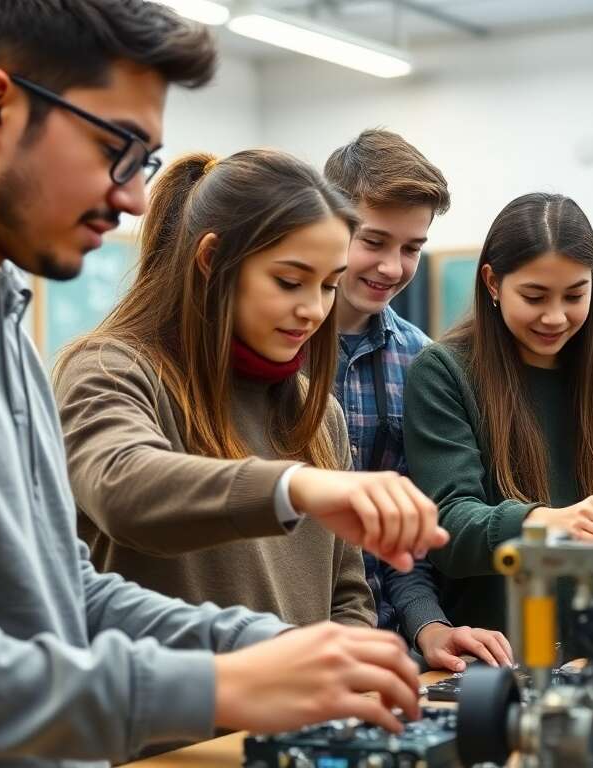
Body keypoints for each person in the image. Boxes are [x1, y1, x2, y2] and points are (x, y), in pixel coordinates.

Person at [0, 2, 444, 765]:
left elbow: (64, 591)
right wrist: (207, 688)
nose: (137, 196)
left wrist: (271, 651)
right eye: (117, 147)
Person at [54, 149, 385, 628]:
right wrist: (293, 488)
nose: (314, 309)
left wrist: (342, 672)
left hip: (298, 703)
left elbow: (349, 598)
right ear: (211, 259)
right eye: (289, 281)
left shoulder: (321, 416)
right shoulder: (111, 369)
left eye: (330, 285)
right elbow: (121, 488)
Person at [405, 192, 593, 634]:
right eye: (534, 296)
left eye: (574, 295)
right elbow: (448, 526)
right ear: (492, 283)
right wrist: (544, 522)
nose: (555, 317)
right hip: (490, 658)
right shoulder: (444, 373)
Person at [325, 129, 512, 670]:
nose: (392, 267)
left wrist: (429, 626)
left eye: (411, 249)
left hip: (381, 648)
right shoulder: (272, 353)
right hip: (277, 641)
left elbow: (405, 543)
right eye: (374, 241)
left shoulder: (419, 362)